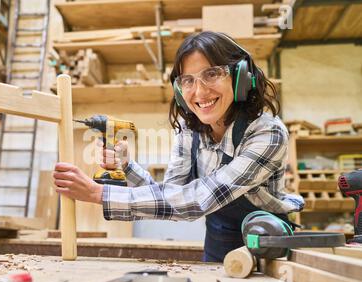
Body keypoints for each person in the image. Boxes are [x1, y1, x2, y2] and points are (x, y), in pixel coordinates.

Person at [52, 31, 304, 262]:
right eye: (187, 80)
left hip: (268, 242)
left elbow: (197, 200)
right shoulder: (189, 129)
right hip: (220, 241)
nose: (199, 91)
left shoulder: (267, 133)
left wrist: (99, 194)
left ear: (240, 76)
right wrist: (127, 167)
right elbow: (171, 196)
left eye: (212, 74)